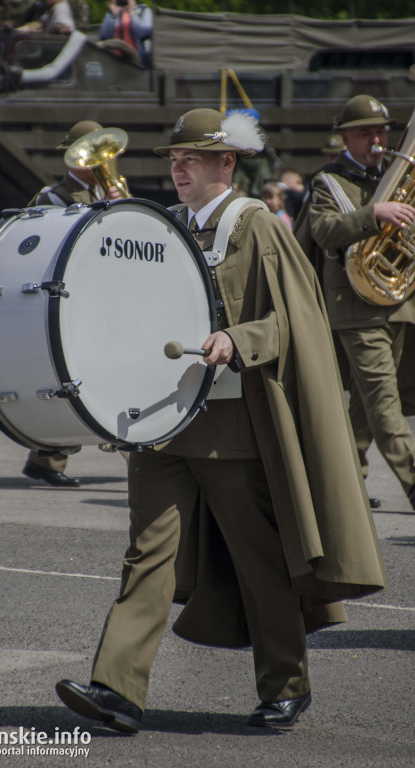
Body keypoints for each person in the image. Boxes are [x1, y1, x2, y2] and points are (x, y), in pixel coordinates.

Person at [54, 108, 386, 733]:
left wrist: (238, 338)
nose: (178, 169)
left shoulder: (257, 226)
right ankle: (117, 689)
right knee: (146, 556)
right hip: (161, 423)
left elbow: (300, 321)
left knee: (261, 561)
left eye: (192, 159)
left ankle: (286, 685)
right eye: (174, 159)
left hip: (231, 427)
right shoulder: (163, 227)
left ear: (226, 163)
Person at [303, 94, 415, 512]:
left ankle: (344, 488)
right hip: (354, 309)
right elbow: (325, 231)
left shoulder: (399, 174)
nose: (377, 139)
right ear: (346, 137)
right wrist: (376, 212)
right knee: (384, 405)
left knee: (368, 408)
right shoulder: (329, 181)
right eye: (366, 132)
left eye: (382, 130)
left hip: (398, 303)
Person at [23, 120, 122, 487]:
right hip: (71, 297)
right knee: (69, 377)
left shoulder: (110, 193)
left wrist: (122, 209)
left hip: (104, 295)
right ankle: (48, 458)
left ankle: (127, 447)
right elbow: (45, 242)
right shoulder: (53, 197)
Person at [98, 0, 153, 68]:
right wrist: (112, 15)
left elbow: (144, 32)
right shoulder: (114, 12)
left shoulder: (143, 10)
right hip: (114, 59)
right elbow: (104, 34)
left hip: (138, 61)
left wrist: (132, 12)